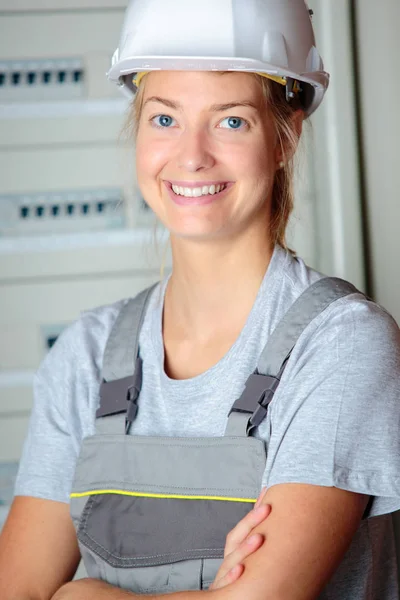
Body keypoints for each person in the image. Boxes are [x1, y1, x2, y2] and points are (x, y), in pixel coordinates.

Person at [1, 1, 400, 599]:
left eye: (231, 121)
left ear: (286, 135)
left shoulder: (342, 344)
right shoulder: (86, 354)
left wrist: (83, 594)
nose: (191, 155)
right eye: (164, 119)